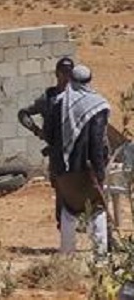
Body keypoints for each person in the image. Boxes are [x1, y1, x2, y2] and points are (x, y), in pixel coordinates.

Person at [53, 64, 110, 258]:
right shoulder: (97, 106)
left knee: (68, 210)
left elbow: (50, 136)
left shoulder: (59, 103)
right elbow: (96, 141)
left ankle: (67, 256)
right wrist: (100, 173)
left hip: (63, 170)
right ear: (89, 81)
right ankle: (100, 257)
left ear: (71, 80)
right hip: (87, 170)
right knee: (97, 210)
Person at [18, 56, 74, 229]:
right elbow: (23, 113)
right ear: (57, 74)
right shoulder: (48, 98)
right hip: (56, 152)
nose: (67, 76)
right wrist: (37, 131)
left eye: (70, 72)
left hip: (75, 151)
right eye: (64, 72)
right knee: (60, 189)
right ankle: (63, 226)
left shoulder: (77, 97)